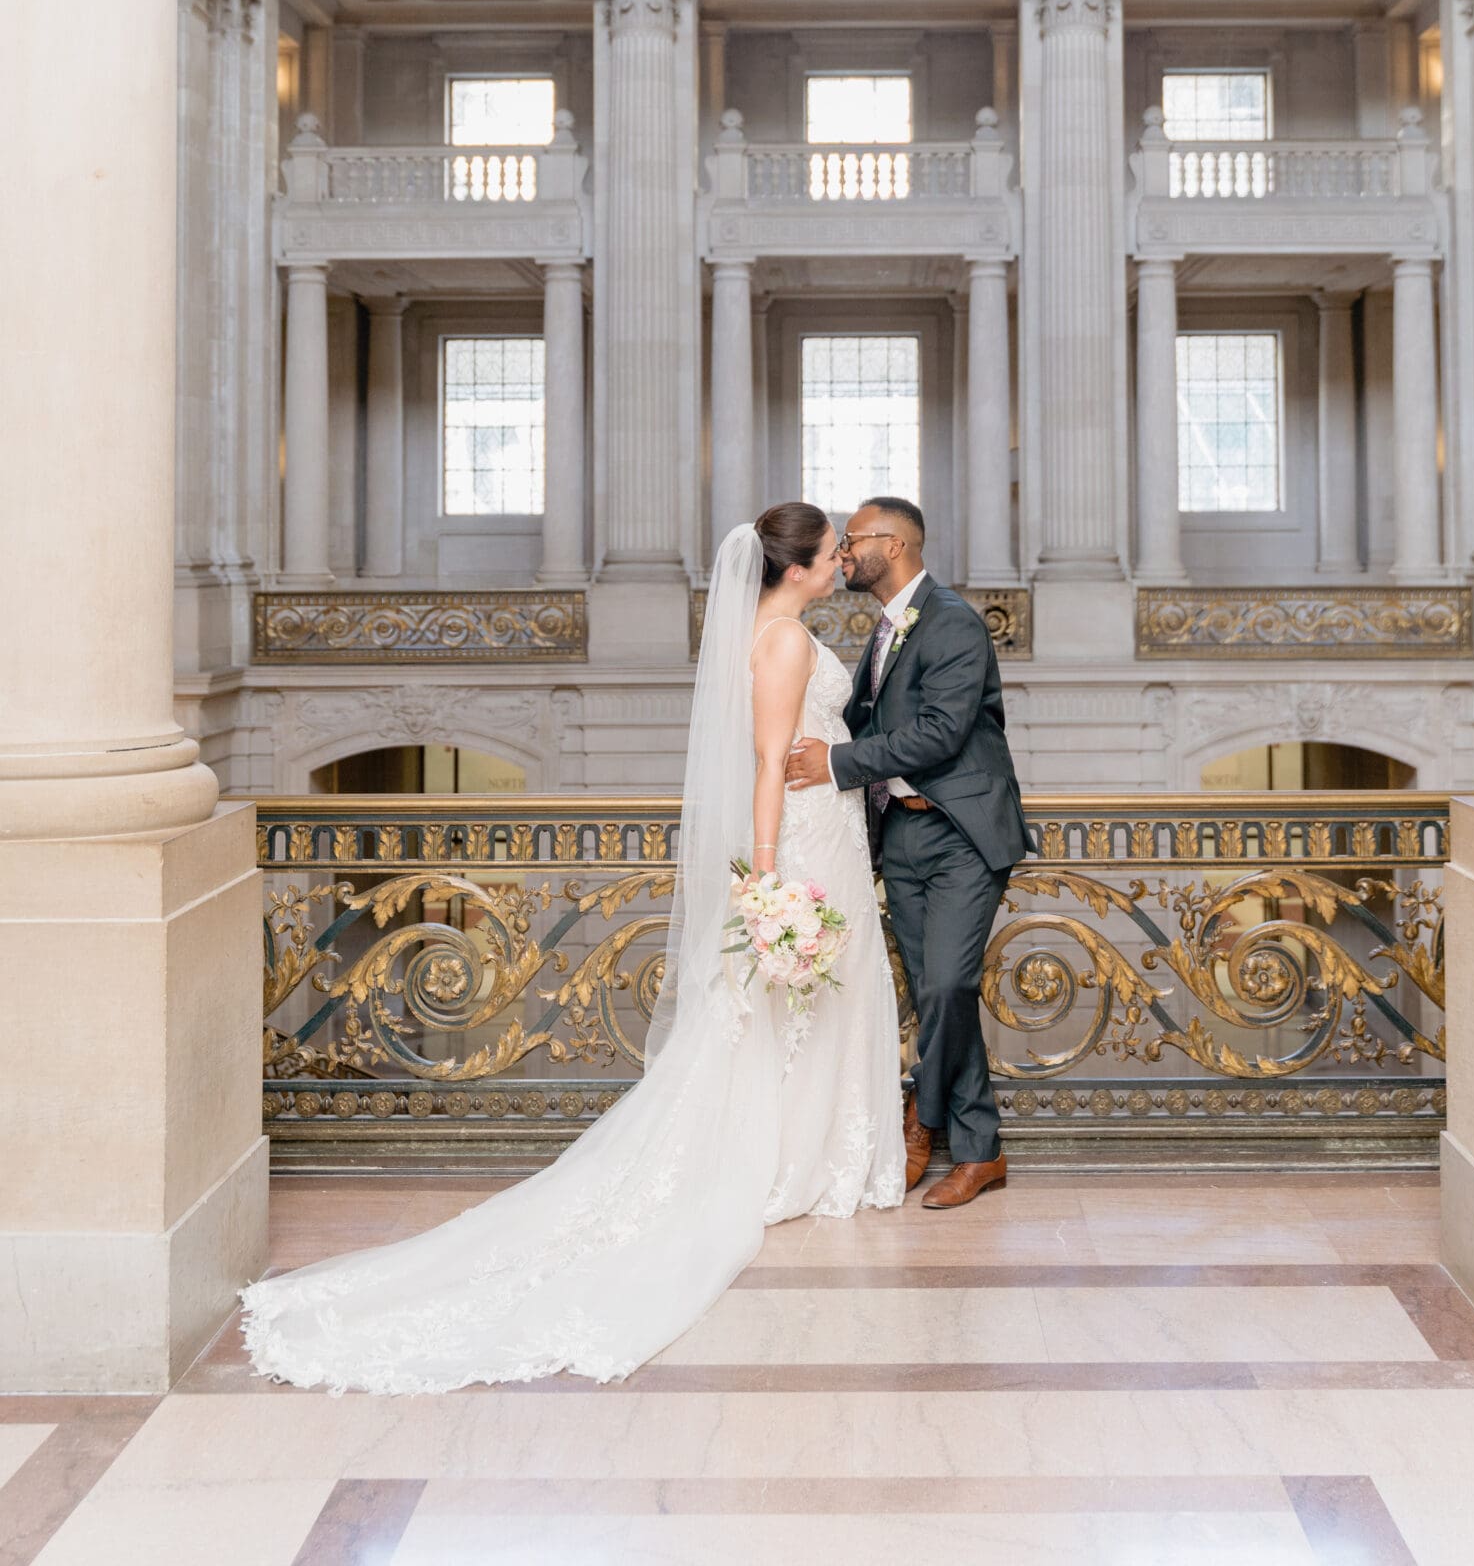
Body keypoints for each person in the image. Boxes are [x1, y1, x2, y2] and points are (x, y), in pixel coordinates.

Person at [241, 503, 903, 1392]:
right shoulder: (782, 642)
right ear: (795, 569)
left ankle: (810, 1150)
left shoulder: (770, 629)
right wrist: (772, 877)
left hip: (828, 832)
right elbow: (766, 759)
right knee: (796, 998)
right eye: (829, 556)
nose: (840, 565)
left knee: (803, 1001)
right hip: (808, 841)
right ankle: (793, 1161)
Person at [785, 497, 1029, 1207]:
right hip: (903, 833)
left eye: (851, 540)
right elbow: (867, 718)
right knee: (933, 992)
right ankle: (981, 1151)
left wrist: (835, 762)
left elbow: (939, 733)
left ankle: (922, 1121)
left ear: (891, 546)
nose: (842, 554)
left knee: (948, 986)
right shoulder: (886, 629)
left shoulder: (951, 620)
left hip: (960, 832)